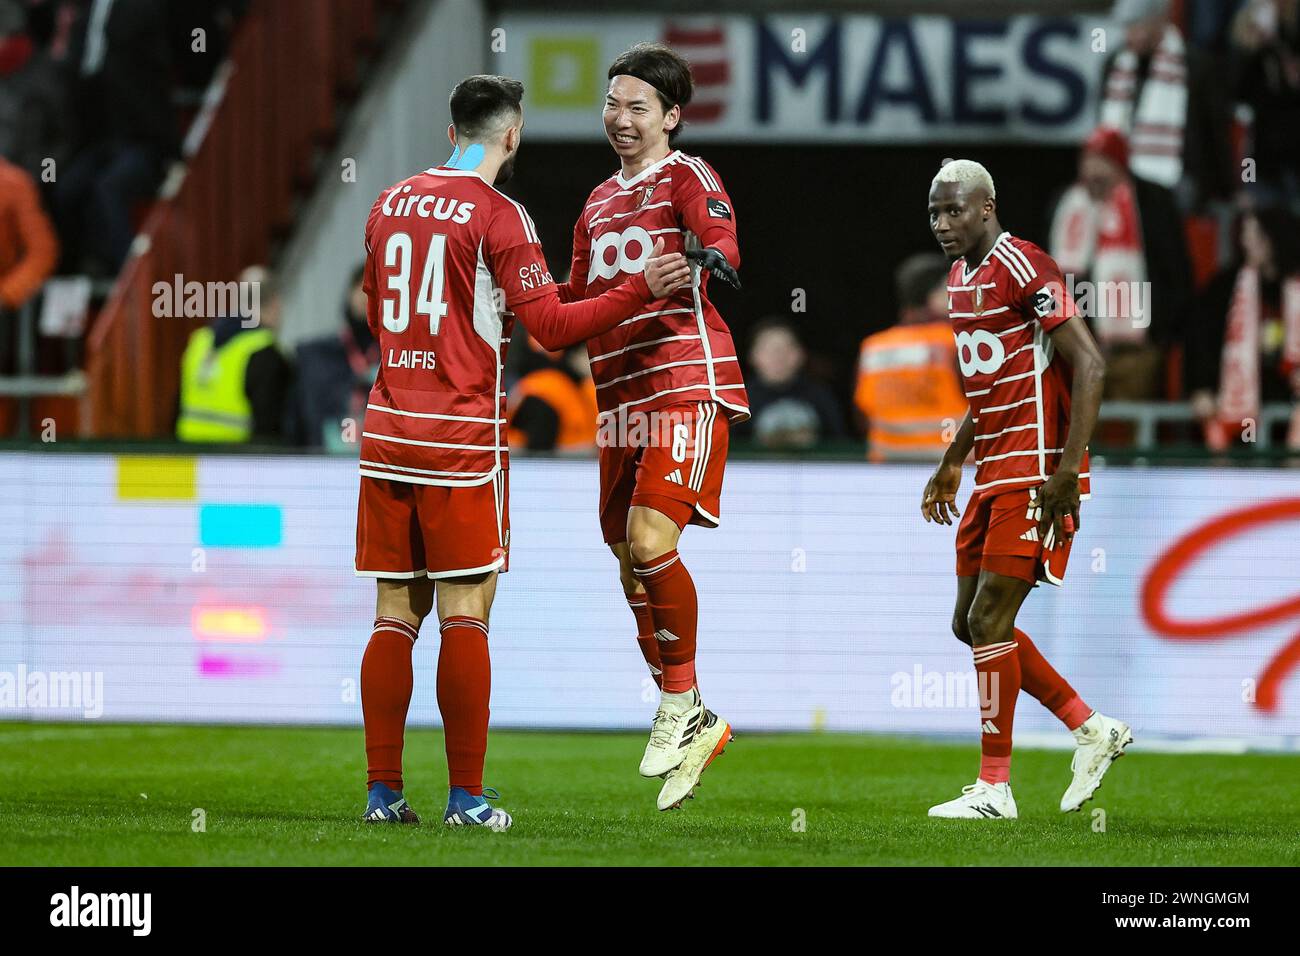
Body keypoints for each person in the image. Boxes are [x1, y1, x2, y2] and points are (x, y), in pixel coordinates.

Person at [355, 74, 691, 830]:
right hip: (461, 441)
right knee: (465, 614)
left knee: (391, 616)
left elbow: (379, 311)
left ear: (452, 131)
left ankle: (383, 795)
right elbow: (554, 329)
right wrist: (639, 288)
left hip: (385, 433)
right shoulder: (500, 214)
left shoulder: (388, 201)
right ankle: (466, 800)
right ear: (512, 137)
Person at [558, 42, 745, 811]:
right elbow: (570, 304)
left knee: (647, 542)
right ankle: (693, 711)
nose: (620, 119)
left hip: (683, 384)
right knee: (626, 561)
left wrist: (714, 257)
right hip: (618, 403)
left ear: (671, 116)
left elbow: (722, 237)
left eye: (638, 107)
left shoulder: (687, 175)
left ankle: (678, 702)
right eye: (612, 104)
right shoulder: (597, 204)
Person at [921, 159, 1131, 820]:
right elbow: (992, 388)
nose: (945, 224)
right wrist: (954, 458)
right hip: (993, 471)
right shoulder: (957, 280)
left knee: (988, 620)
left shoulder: (1026, 266)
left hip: (1039, 471)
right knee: (971, 623)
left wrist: (1069, 470)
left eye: (956, 210)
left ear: (988, 207)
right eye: (935, 213)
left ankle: (994, 788)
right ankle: (1091, 728)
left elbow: (1090, 361)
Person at [1048, 125, 1193, 399]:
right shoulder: (1067, 206)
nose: (1093, 171)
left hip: (1139, 351)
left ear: (1120, 164)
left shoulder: (1152, 202)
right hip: (1079, 351)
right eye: (1087, 161)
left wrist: (1162, 333)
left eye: (1102, 161)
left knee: (1136, 432)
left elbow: (1175, 270)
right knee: (1080, 434)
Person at [1099, 0, 1234, 210]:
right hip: (1123, 176)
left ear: (1158, 21)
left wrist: (1228, 190)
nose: (1129, 36)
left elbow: (1214, 133)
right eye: (1126, 27)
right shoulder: (1115, 65)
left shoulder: (1196, 66)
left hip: (1178, 177)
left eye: (1136, 26)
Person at [1186, 207, 1300, 450]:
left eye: (1256, 234)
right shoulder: (1224, 288)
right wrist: (1201, 387)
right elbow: (1200, 341)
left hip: (1288, 404)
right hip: (1236, 407)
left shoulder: (1295, 287)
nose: (1246, 241)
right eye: (1244, 233)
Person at [854, 254, 966, 462]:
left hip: (888, 472)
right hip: (953, 474)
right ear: (931, 297)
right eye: (949, 289)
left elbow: (861, 418)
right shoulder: (957, 342)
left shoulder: (873, 346)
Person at [175, 265, 289, 444]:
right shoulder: (265, 352)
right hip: (238, 463)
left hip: (193, 460)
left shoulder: (199, 341)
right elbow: (270, 431)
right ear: (274, 303)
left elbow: (177, 408)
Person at [292, 263, 379, 449]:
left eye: (373, 289)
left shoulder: (394, 356)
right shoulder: (318, 355)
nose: (364, 295)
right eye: (359, 287)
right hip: (328, 460)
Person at [735, 316, 843, 450]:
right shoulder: (737, 401)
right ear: (752, 356)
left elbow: (838, 446)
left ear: (801, 354)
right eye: (769, 349)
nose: (778, 356)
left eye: (786, 348)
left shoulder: (821, 396)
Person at [506, 337, 598, 452]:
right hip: (546, 465)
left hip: (576, 464)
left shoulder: (587, 387)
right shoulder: (545, 388)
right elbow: (538, 451)